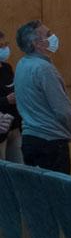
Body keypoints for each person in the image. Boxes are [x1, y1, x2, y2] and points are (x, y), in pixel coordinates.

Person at [13, 20, 71, 173]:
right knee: (57, 194)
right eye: (48, 35)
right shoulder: (44, 69)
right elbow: (63, 110)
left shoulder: (22, 64)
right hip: (50, 143)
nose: (53, 37)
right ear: (37, 43)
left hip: (30, 139)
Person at [0, 30, 23, 163]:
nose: (4, 48)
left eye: (5, 44)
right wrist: (6, 100)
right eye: (0, 46)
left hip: (14, 126)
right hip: (1, 128)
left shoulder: (7, 67)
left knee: (19, 169)